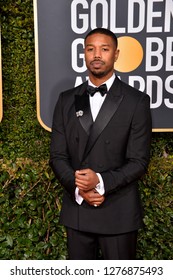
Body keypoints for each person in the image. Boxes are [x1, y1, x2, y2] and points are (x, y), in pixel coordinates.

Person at [49, 28, 152, 260]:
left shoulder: (136, 101)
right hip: (78, 211)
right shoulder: (67, 99)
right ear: (84, 54)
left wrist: (101, 182)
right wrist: (80, 189)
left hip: (118, 212)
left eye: (104, 49)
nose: (97, 55)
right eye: (90, 49)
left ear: (116, 54)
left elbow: (139, 161)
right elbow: (57, 155)